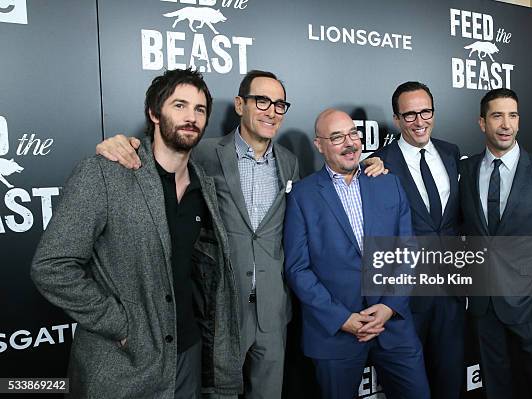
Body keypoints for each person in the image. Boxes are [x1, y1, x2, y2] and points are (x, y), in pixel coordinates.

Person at [94, 70, 386, 399]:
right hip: (221, 308)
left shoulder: (290, 162)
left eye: (279, 104)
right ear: (239, 105)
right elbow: (159, 157)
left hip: (273, 310)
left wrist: (372, 166)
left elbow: (324, 198)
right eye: (261, 100)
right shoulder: (202, 153)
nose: (271, 110)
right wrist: (124, 144)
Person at [30, 68, 241, 399]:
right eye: (180, 105)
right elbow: (51, 266)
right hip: (123, 366)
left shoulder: (205, 187)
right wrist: (121, 326)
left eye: (200, 110)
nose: (191, 117)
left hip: (187, 356)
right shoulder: (104, 173)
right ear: (154, 113)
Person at [283, 108, 430, 399]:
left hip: (394, 325)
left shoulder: (388, 182)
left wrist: (389, 307)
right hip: (335, 332)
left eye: (353, 133)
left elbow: (408, 250)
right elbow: (298, 268)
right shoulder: (303, 195)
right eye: (337, 137)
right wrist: (342, 318)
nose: (349, 143)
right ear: (319, 144)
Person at [459, 88, 532, 399]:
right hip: (485, 307)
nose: (505, 124)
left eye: (512, 116)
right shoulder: (466, 169)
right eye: (497, 115)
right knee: (496, 388)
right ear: (482, 123)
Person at [371, 81, 464, 399]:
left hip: (452, 291)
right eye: (409, 115)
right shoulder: (379, 164)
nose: (419, 121)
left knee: (450, 379)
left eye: (425, 111)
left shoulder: (451, 152)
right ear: (397, 119)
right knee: (411, 387)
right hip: (406, 296)